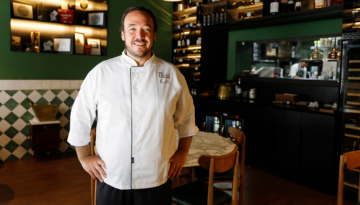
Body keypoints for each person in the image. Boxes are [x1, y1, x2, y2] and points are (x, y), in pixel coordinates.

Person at [67, 6, 199, 205]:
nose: (139, 35)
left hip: (157, 176)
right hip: (111, 176)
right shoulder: (100, 72)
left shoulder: (172, 74)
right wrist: (85, 157)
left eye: (146, 29)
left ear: (154, 35)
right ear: (122, 34)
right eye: (132, 28)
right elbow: (79, 118)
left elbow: (187, 118)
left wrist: (182, 152)